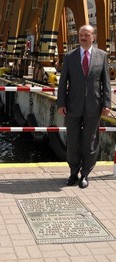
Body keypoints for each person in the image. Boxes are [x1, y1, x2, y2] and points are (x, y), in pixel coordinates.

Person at [57, 24, 111, 189]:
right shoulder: (69, 56)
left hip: (94, 106)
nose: (82, 37)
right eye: (81, 34)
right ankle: (73, 172)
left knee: (90, 141)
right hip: (73, 106)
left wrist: (107, 104)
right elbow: (63, 82)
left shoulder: (102, 56)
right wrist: (61, 103)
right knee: (73, 141)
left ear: (93, 37)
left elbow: (105, 82)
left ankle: (85, 174)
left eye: (86, 35)